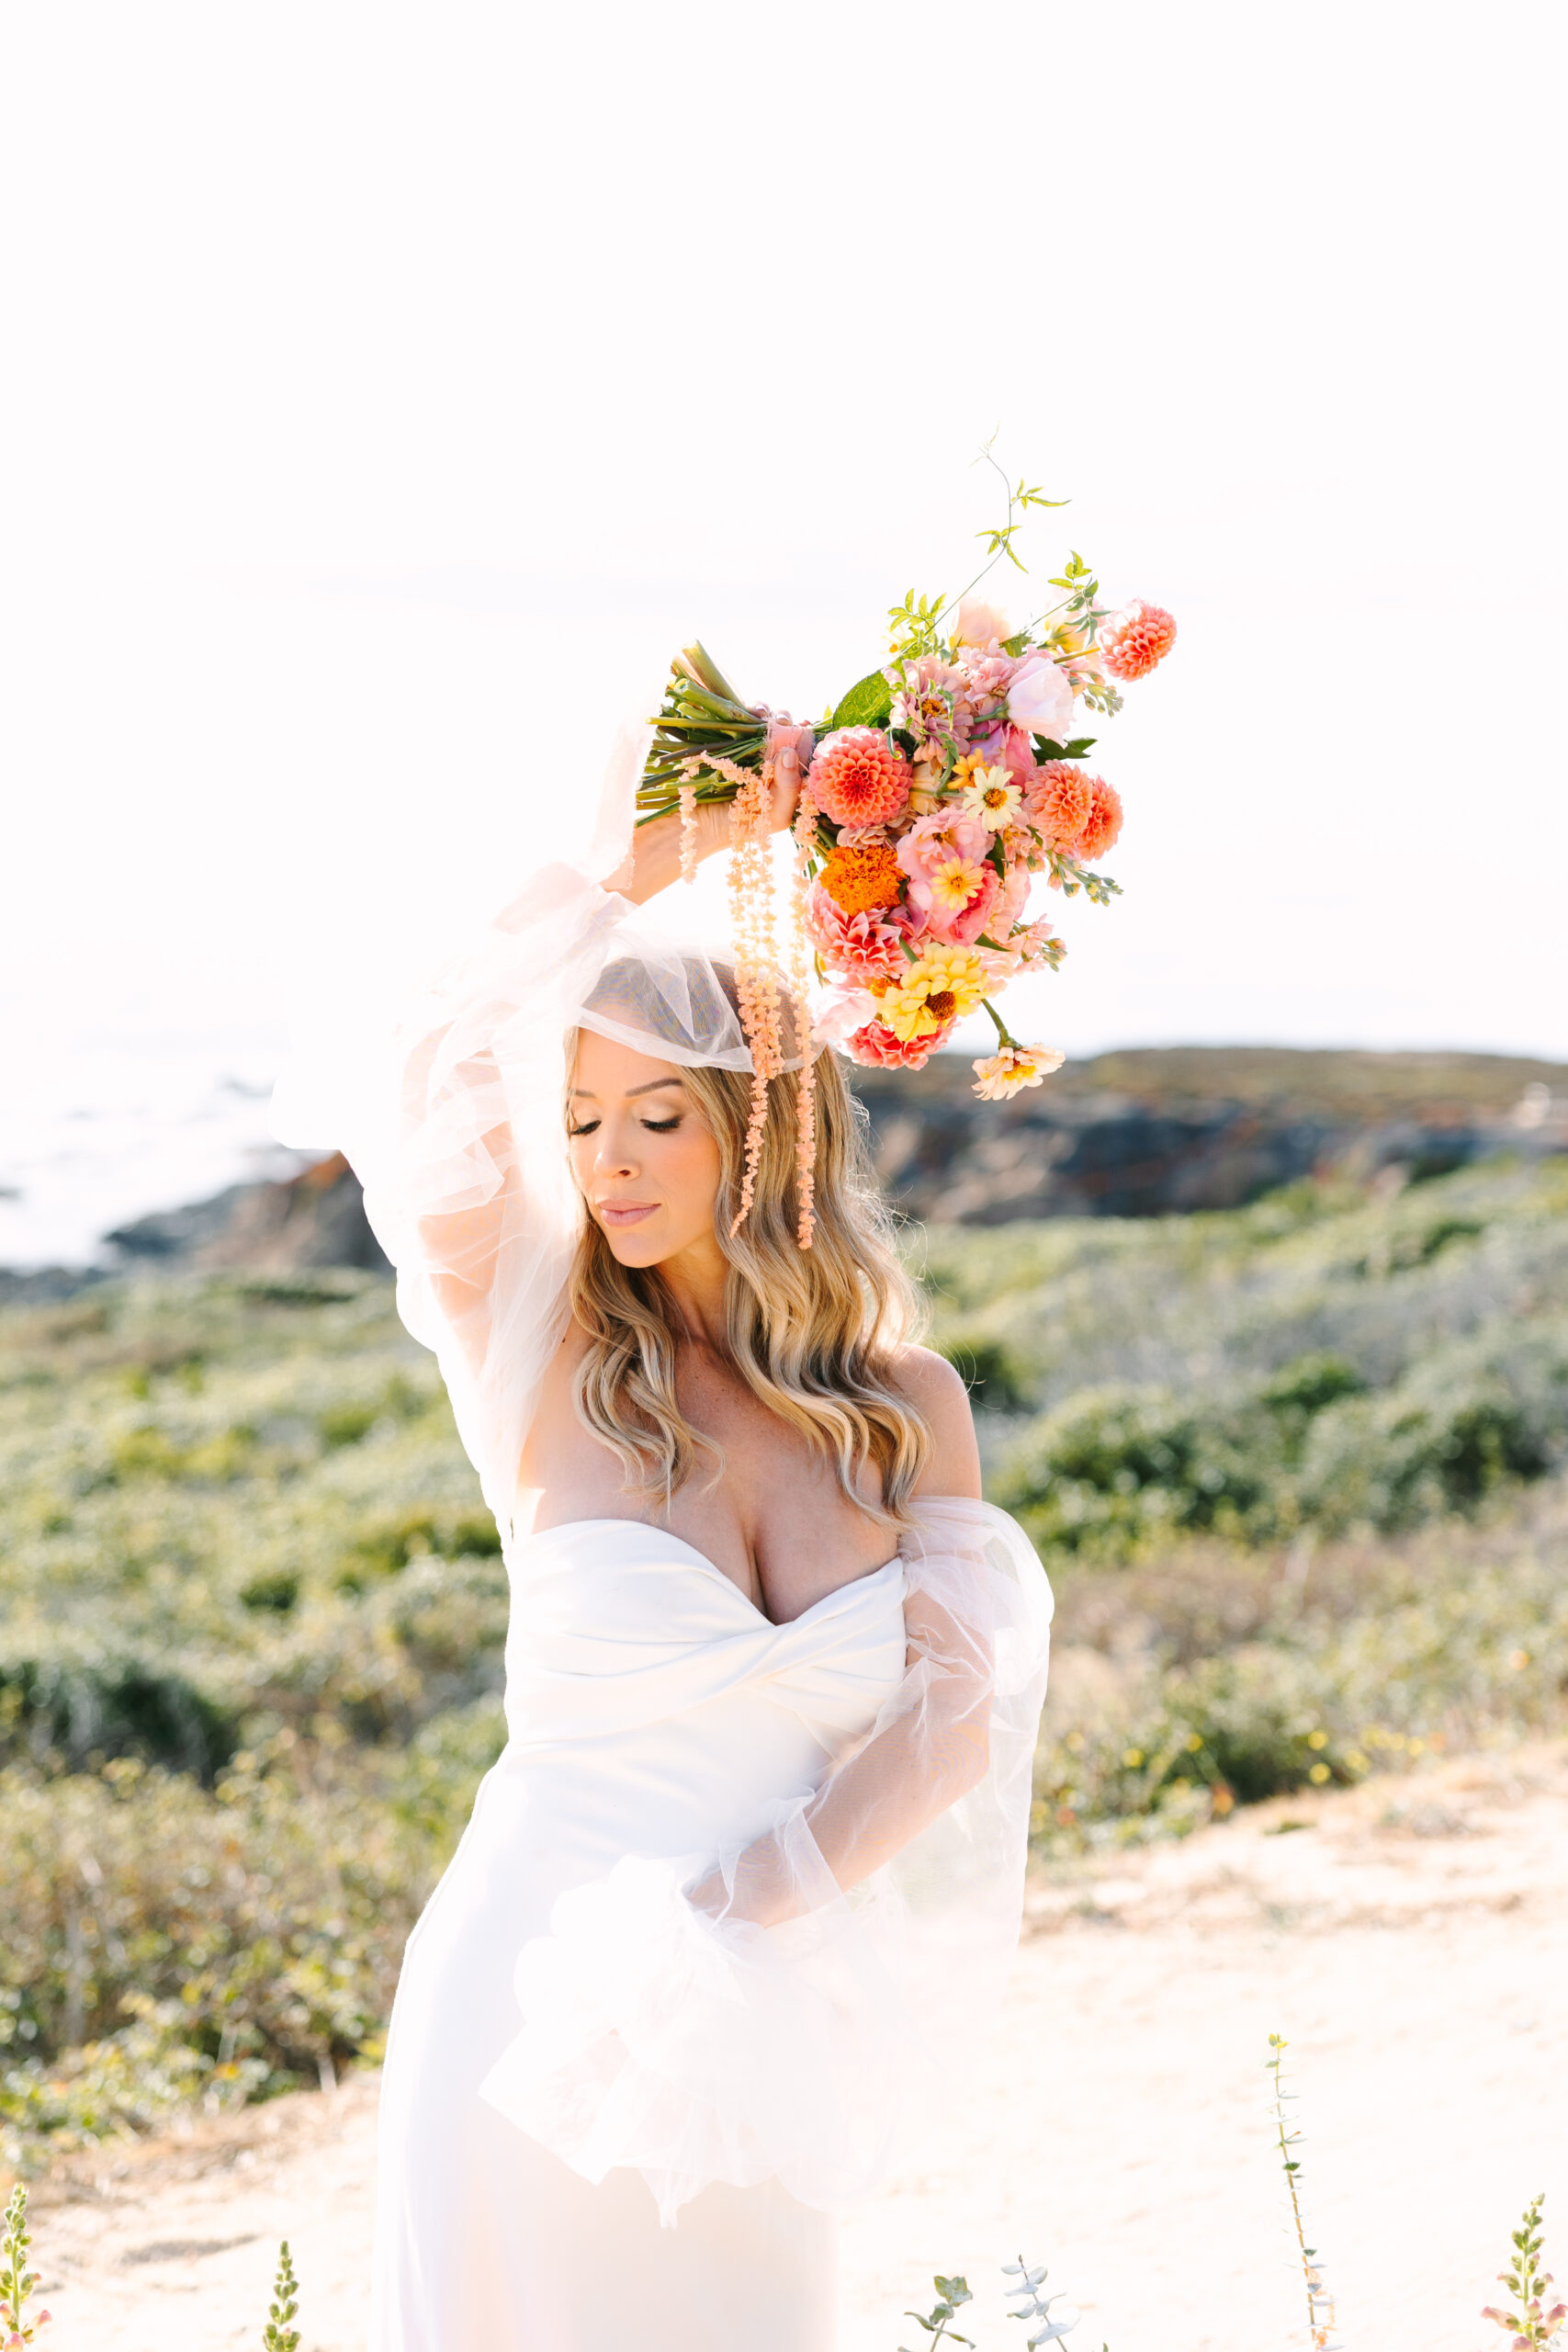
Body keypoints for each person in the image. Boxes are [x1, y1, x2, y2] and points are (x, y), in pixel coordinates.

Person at [321, 718, 1053, 2351]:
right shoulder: (538, 1353)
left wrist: (734, 1922)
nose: (609, 1164)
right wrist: (646, 869)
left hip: (747, 2013)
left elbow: (948, 1730)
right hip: (524, 2001)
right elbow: (425, 1071)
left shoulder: (903, 1401)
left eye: (658, 1116)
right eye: (581, 1120)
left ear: (760, 1126)